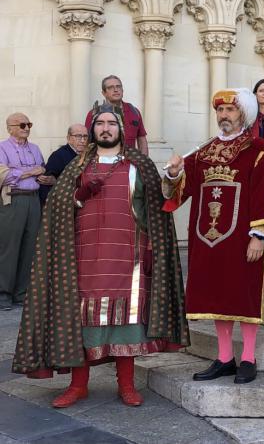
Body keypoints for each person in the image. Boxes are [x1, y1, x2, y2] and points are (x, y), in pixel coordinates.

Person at [13, 104, 189, 407]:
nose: (106, 128)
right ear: (92, 130)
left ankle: (127, 385)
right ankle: (78, 385)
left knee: (128, 321)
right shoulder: (78, 166)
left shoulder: (140, 165)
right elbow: (56, 208)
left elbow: (160, 205)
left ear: (121, 129)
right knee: (80, 320)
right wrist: (79, 196)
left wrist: (172, 179)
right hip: (82, 257)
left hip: (128, 256)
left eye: (111, 123)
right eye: (100, 124)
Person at [163, 88, 264, 384]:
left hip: (243, 236)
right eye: (220, 111)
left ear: (243, 113)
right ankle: (225, 357)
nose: (224, 116)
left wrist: (259, 234)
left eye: (229, 110)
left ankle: (248, 357)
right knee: (219, 295)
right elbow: (180, 192)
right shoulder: (203, 152)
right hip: (209, 238)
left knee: (243, 294)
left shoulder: (258, 150)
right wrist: (175, 173)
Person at [0, 113, 44, 311]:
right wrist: (29, 172)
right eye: (22, 124)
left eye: (29, 124)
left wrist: (21, 172)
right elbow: (4, 175)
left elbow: (42, 169)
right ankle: (3, 294)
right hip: (13, 200)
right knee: (9, 248)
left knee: (29, 248)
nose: (27, 128)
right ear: (10, 127)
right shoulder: (2, 147)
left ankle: (21, 293)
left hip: (33, 200)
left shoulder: (35, 149)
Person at [85, 75, 148, 155]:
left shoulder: (134, 112)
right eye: (110, 87)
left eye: (118, 86)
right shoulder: (94, 114)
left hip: (130, 161)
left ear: (122, 90)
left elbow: (141, 139)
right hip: (103, 162)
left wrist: (143, 163)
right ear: (104, 93)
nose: (115, 90)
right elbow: (87, 142)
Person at [38, 124, 89, 205]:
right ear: (68, 138)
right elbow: (46, 182)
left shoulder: (89, 155)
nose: (83, 140)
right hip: (64, 205)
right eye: (78, 136)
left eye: (85, 136)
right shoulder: (59, 155)